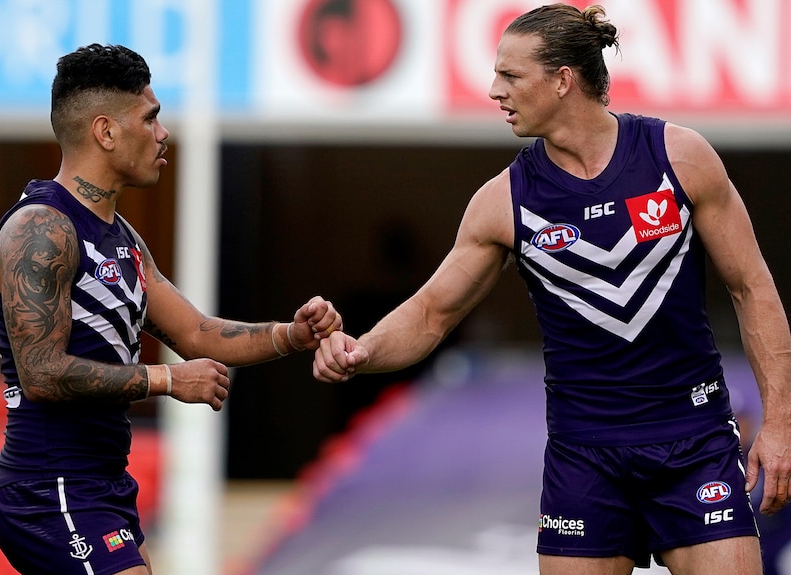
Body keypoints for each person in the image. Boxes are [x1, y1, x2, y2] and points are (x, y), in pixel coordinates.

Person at [313, 4, 791, 574]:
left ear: (563, 79)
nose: (494, 90)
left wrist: (781, 426)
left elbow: (752, 289)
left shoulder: (680, 158)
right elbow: (430, 314)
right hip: (583, 457)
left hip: (696, 443)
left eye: (510, 75)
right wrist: (362, 350)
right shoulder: (502, 202)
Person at [0, 43, 342, 575]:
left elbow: (197, 333)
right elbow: (41, 373)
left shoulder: (121, 238)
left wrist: (293, 334)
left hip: (101, 483)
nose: (162, 133)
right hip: (49, 484)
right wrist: (168, 382)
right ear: (106, 131)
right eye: (149, 119)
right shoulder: (42, 229)